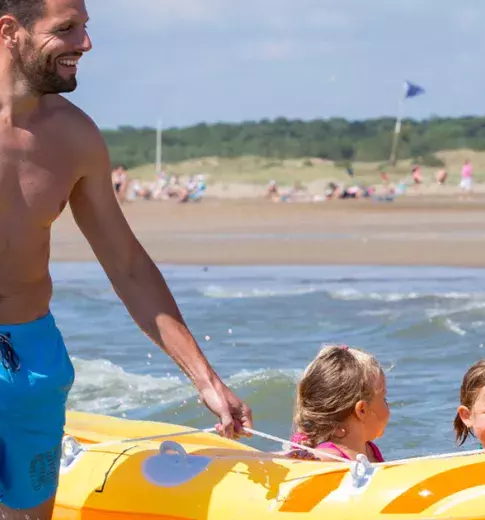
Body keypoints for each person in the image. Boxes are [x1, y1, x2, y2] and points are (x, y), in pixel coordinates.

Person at [0, 1, 252, 517]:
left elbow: (128, 266)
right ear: (10, 31)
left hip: (33, 357)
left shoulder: (75, 137)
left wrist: (205, 379)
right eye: (66, 29)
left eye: (86, 28)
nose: (85, 44)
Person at [286, 344, 389, 462]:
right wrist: (298, 459)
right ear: (362, 410)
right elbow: (279, 457)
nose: (388, 405)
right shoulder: (329, 457)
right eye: (384, 399)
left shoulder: (370, 450)